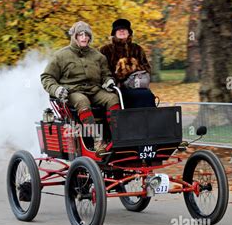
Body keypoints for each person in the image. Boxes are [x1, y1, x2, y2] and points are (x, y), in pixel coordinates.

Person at [41, 21, 120, 155]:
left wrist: (108, 81)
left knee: (112, 98)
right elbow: (47, 77)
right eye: (80, 35)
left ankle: (117, 137)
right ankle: (97, 140)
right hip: (72, 91)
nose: (84, 37)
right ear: (74, 37)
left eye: (86, 35)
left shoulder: (98, 56)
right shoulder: (60, 56)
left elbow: (106, 75)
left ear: (90, 37)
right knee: (82, 101)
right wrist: (57, 89)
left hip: (94, 90)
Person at [99, 18, 155, 108]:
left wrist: (131, 68)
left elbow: (147, 68)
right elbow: (102, 71)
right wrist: (119, 73)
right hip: (115, 87)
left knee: (147, 95)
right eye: (119, 29)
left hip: (136, 85)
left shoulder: (137, 49)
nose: (122, 31)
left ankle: (148, 120)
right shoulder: (105, 50)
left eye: (124, 29)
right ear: (114, 33)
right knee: (137, 96)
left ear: (129, 33)